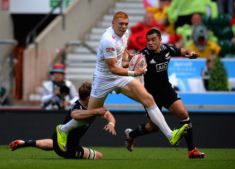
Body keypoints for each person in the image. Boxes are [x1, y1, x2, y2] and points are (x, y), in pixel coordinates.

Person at [55, 11, 189, 153]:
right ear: (113, 23)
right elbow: (112, 68)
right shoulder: (108, 40)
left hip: (119, 77)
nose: (124, 27)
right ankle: (63, 129)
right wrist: (134, 72)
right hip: (103, 79)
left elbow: (122, 51)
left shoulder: (125, 34)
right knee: (91, 114)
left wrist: (128, 58)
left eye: (126, 24)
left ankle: (170, 135)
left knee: (148, 99)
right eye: (121, 24)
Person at [124, 28, 205, 159]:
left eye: (153, 40)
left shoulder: (167, 49)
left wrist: (190, 53)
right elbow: (131, 64)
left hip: (166, 90)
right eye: (148, 40)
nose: (150, 43)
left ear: (160, 40)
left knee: (183, 114)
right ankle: (131, 135)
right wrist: (129, 62)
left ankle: (192, 150)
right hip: (150, 95)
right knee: (153, 127)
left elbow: (182, 50)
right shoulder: (142, 55)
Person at [9, 81, 116, 160]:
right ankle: (63, 134)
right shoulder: (77, 106)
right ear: (88, 98)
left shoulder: (94, 106)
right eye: (94, 95)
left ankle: (24, 143)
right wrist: (95, 112)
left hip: (59, 139)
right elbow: (75, 115)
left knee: (55, 144)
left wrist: (111, 123)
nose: (96, 97)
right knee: (98, 156)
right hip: (69, 149)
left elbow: (107, 114)